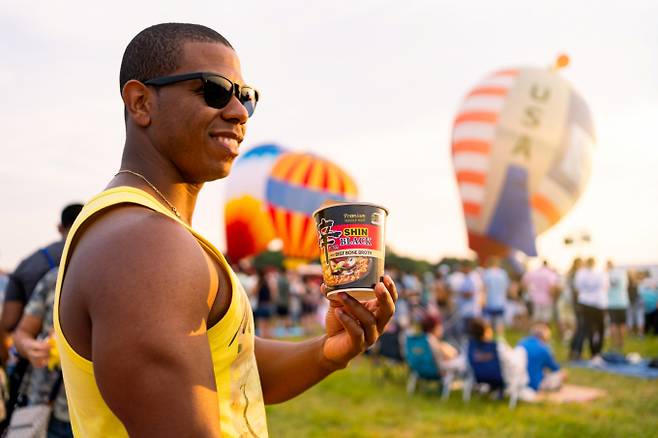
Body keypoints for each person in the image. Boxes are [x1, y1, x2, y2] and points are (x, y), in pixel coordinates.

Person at [54, 23, 397, 437]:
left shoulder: (151, 231)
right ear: (141, 102)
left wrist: (329, 352)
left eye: (246, 98)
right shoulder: (144, 245)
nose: (237, 112)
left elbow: (228, 365)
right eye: (214, 90)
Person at [1, 204, 83, 358]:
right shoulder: (102, 263)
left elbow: (9, 322)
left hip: (41, 362)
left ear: (60, 227)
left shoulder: (30, 263)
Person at [13, 267, 72, 437]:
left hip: (98, 416)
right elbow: (22, 333)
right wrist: (29, 347)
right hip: (46, 407)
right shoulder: (55, 277)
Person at [571, 257, 607, 359]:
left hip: (585, 303)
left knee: (588, 329)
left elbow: (577, 288)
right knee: (599, 330)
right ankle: (596, 352)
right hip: (598, 304)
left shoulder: (581, 273)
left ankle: (588, 352)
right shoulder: (600, 273)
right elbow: (605, 287)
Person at [517, 323, 566, 393]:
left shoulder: (521, 343)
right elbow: (555, 368)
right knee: (562, 374)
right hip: (534, 384)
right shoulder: (544, 348)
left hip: (519, 381)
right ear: (544, 336)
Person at [481, 256, 510, 335]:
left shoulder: (487, 273)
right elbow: (507, 288)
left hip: (489, 301)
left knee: (487, 322)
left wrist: (482, 301)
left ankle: (487, 338)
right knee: (499, 322)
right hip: (501, 301)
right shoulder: (503, 273)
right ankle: (500, 338)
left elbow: (484, 289)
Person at [606, 260, 629, 351]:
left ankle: (614, 344)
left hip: (612, 303)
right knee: (622, 324)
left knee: (613, 324)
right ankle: (621, 343)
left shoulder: (607, 274)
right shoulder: (622, 273)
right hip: (622, 302)